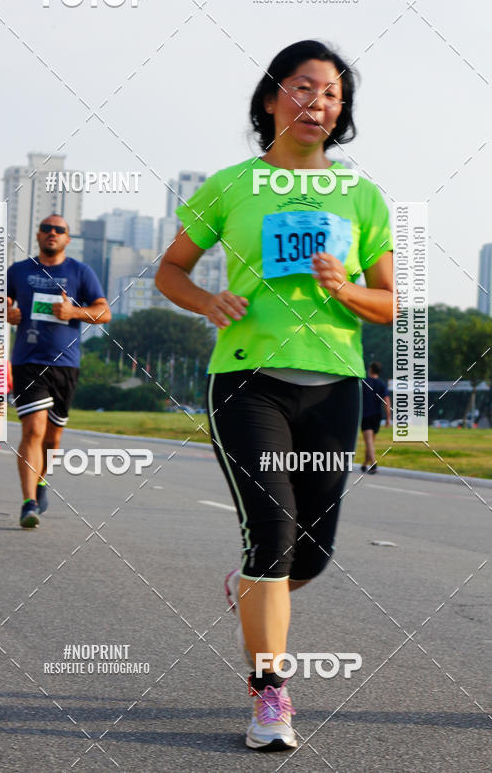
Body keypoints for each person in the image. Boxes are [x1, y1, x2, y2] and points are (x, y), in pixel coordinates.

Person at [155, 40, 394, 751]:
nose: (317, 104)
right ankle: (269, 698)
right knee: (275, 537)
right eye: (303, 88)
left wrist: (345, 287)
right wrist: (206, 302)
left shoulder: (363, 194)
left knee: (308, 557)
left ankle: (254, 581)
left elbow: (388, 301)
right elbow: (171, 270)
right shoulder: (231, 186)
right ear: (270, 98)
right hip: (247, 382)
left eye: (331, 95)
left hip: (334, 385)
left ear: (341, 111)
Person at [6, 215, 111, 529]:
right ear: (37, 234)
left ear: (67, 238)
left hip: (65, 364)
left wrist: (73, 311)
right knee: (33, 431)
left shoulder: (80, 272)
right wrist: (7, 312)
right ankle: (28, 503)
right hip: (28, 360)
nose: (52, 233)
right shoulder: (18, 271)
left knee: (52, 438)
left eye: (59, 230)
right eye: (46, 229)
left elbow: (103, 312)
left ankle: (41, 482)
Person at [360, 361, 390, 473]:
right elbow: (387, 401)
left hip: (366, 415)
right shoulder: (382, 384)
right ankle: (364, 464)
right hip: (377, 416)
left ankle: (373, 463)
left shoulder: (364, 382)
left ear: (371, 369)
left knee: (369, 442)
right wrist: (388, 418)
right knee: (371, 442)